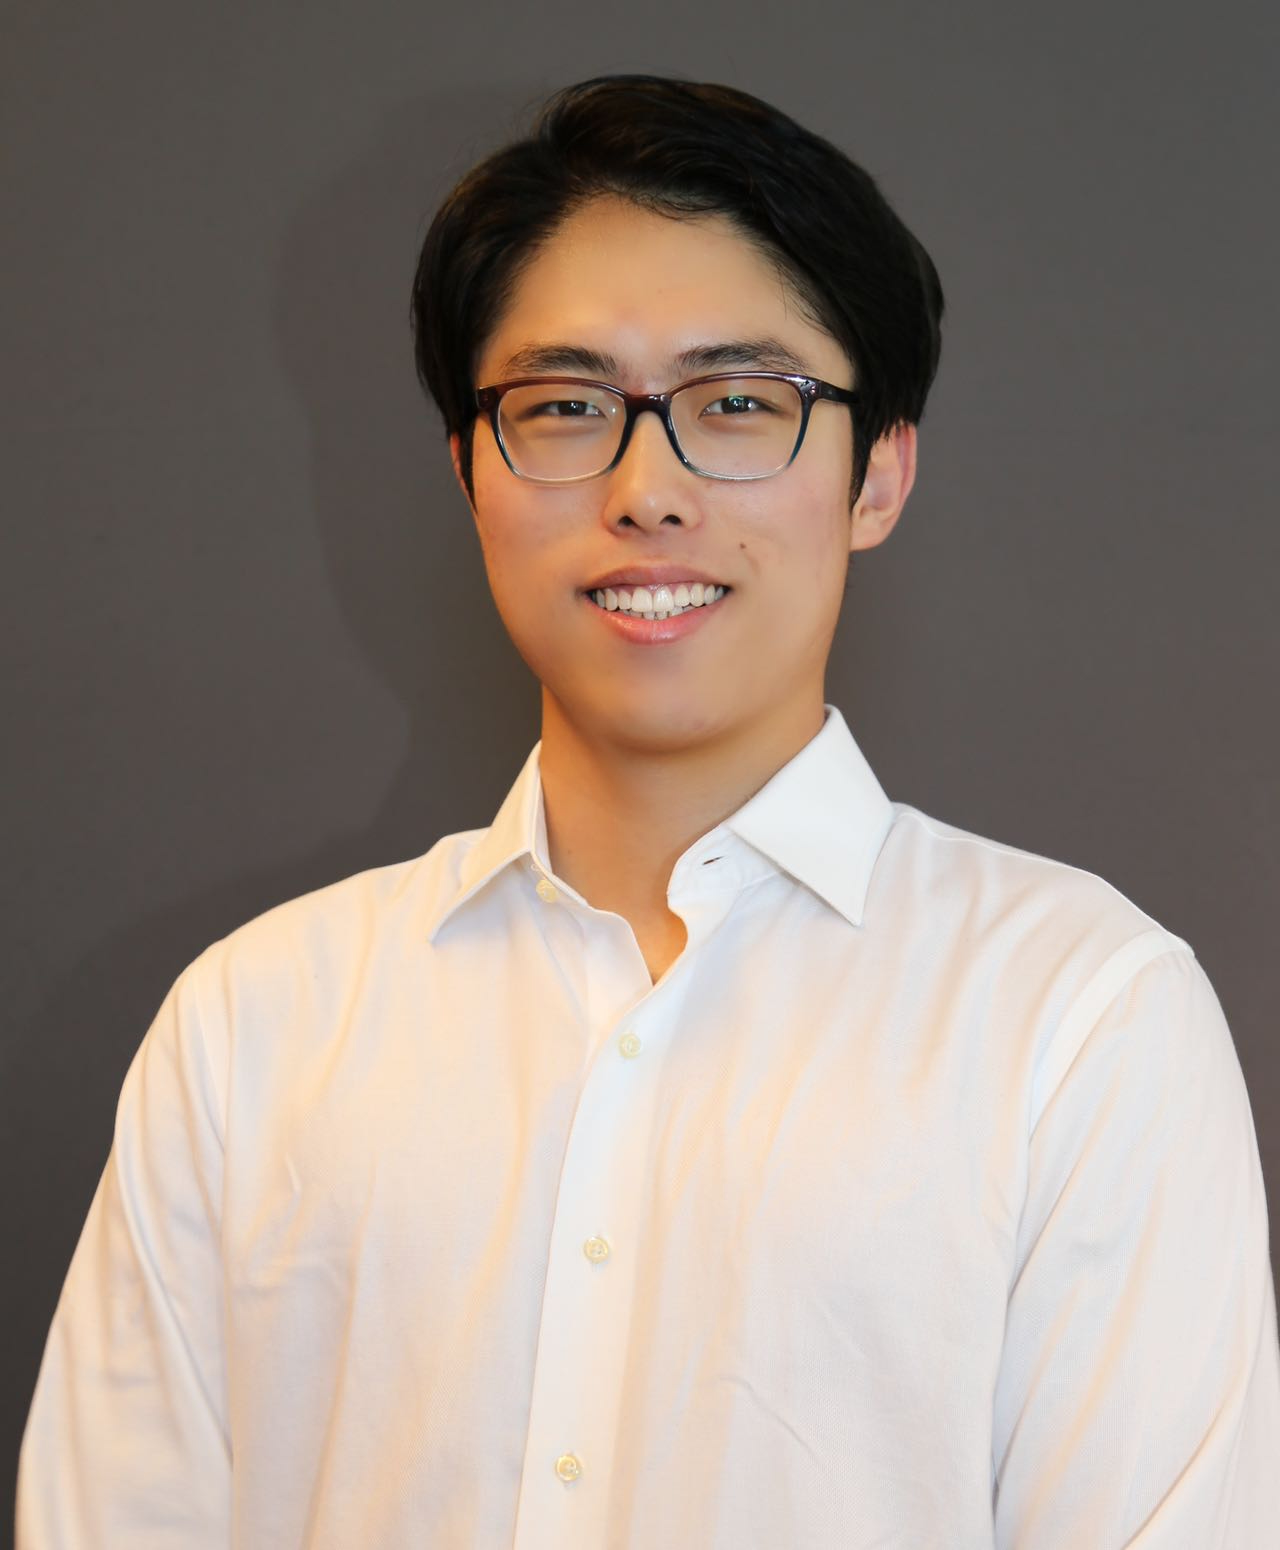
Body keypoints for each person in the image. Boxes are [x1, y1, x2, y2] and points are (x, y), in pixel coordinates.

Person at [17, 73, 1280, 1549]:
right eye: (563, 408)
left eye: (740, 403)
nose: (646, 488)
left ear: (879, 471)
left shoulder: (1080, 1020)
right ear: (471, 472)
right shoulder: (252, 1030)